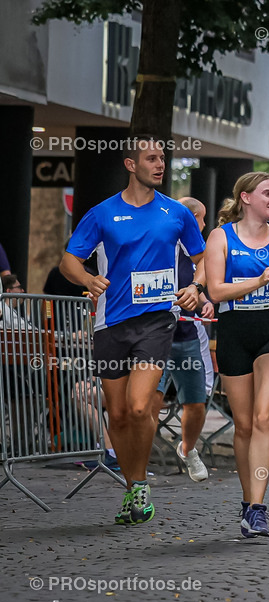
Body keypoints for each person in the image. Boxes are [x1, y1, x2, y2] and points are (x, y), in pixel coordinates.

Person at [60, 135, 206, 525]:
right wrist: (88, 280)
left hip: (157, 321)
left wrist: (196, 286)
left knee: (142, 405)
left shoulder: (177, 213)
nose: (160, 164)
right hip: (111, 322)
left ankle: (139, 486)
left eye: (163, 158)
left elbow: (202, 255)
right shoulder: (102, 213)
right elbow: (69, 261)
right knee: (119, 413)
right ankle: (132, 488)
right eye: (152, 158)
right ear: (130, 164)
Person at [205, 172, 269, 537]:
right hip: (234, 333)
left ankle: (259, 508)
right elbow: (215, 290)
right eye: (267, 193)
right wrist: (260, 280)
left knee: (264, 417)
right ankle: (248, 503)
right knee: (244, 424)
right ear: (246, 197)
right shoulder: (221, 236)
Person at [148, 197, 212, 482]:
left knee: (196, 404)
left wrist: (203, 296)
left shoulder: (198, 250)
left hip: (185, 334)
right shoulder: (157, 241)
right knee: (150, 401)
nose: (204, 225)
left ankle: (187, 449)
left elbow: (204, 274)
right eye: (202, 219)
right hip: (151, 334)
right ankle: (139, 464)